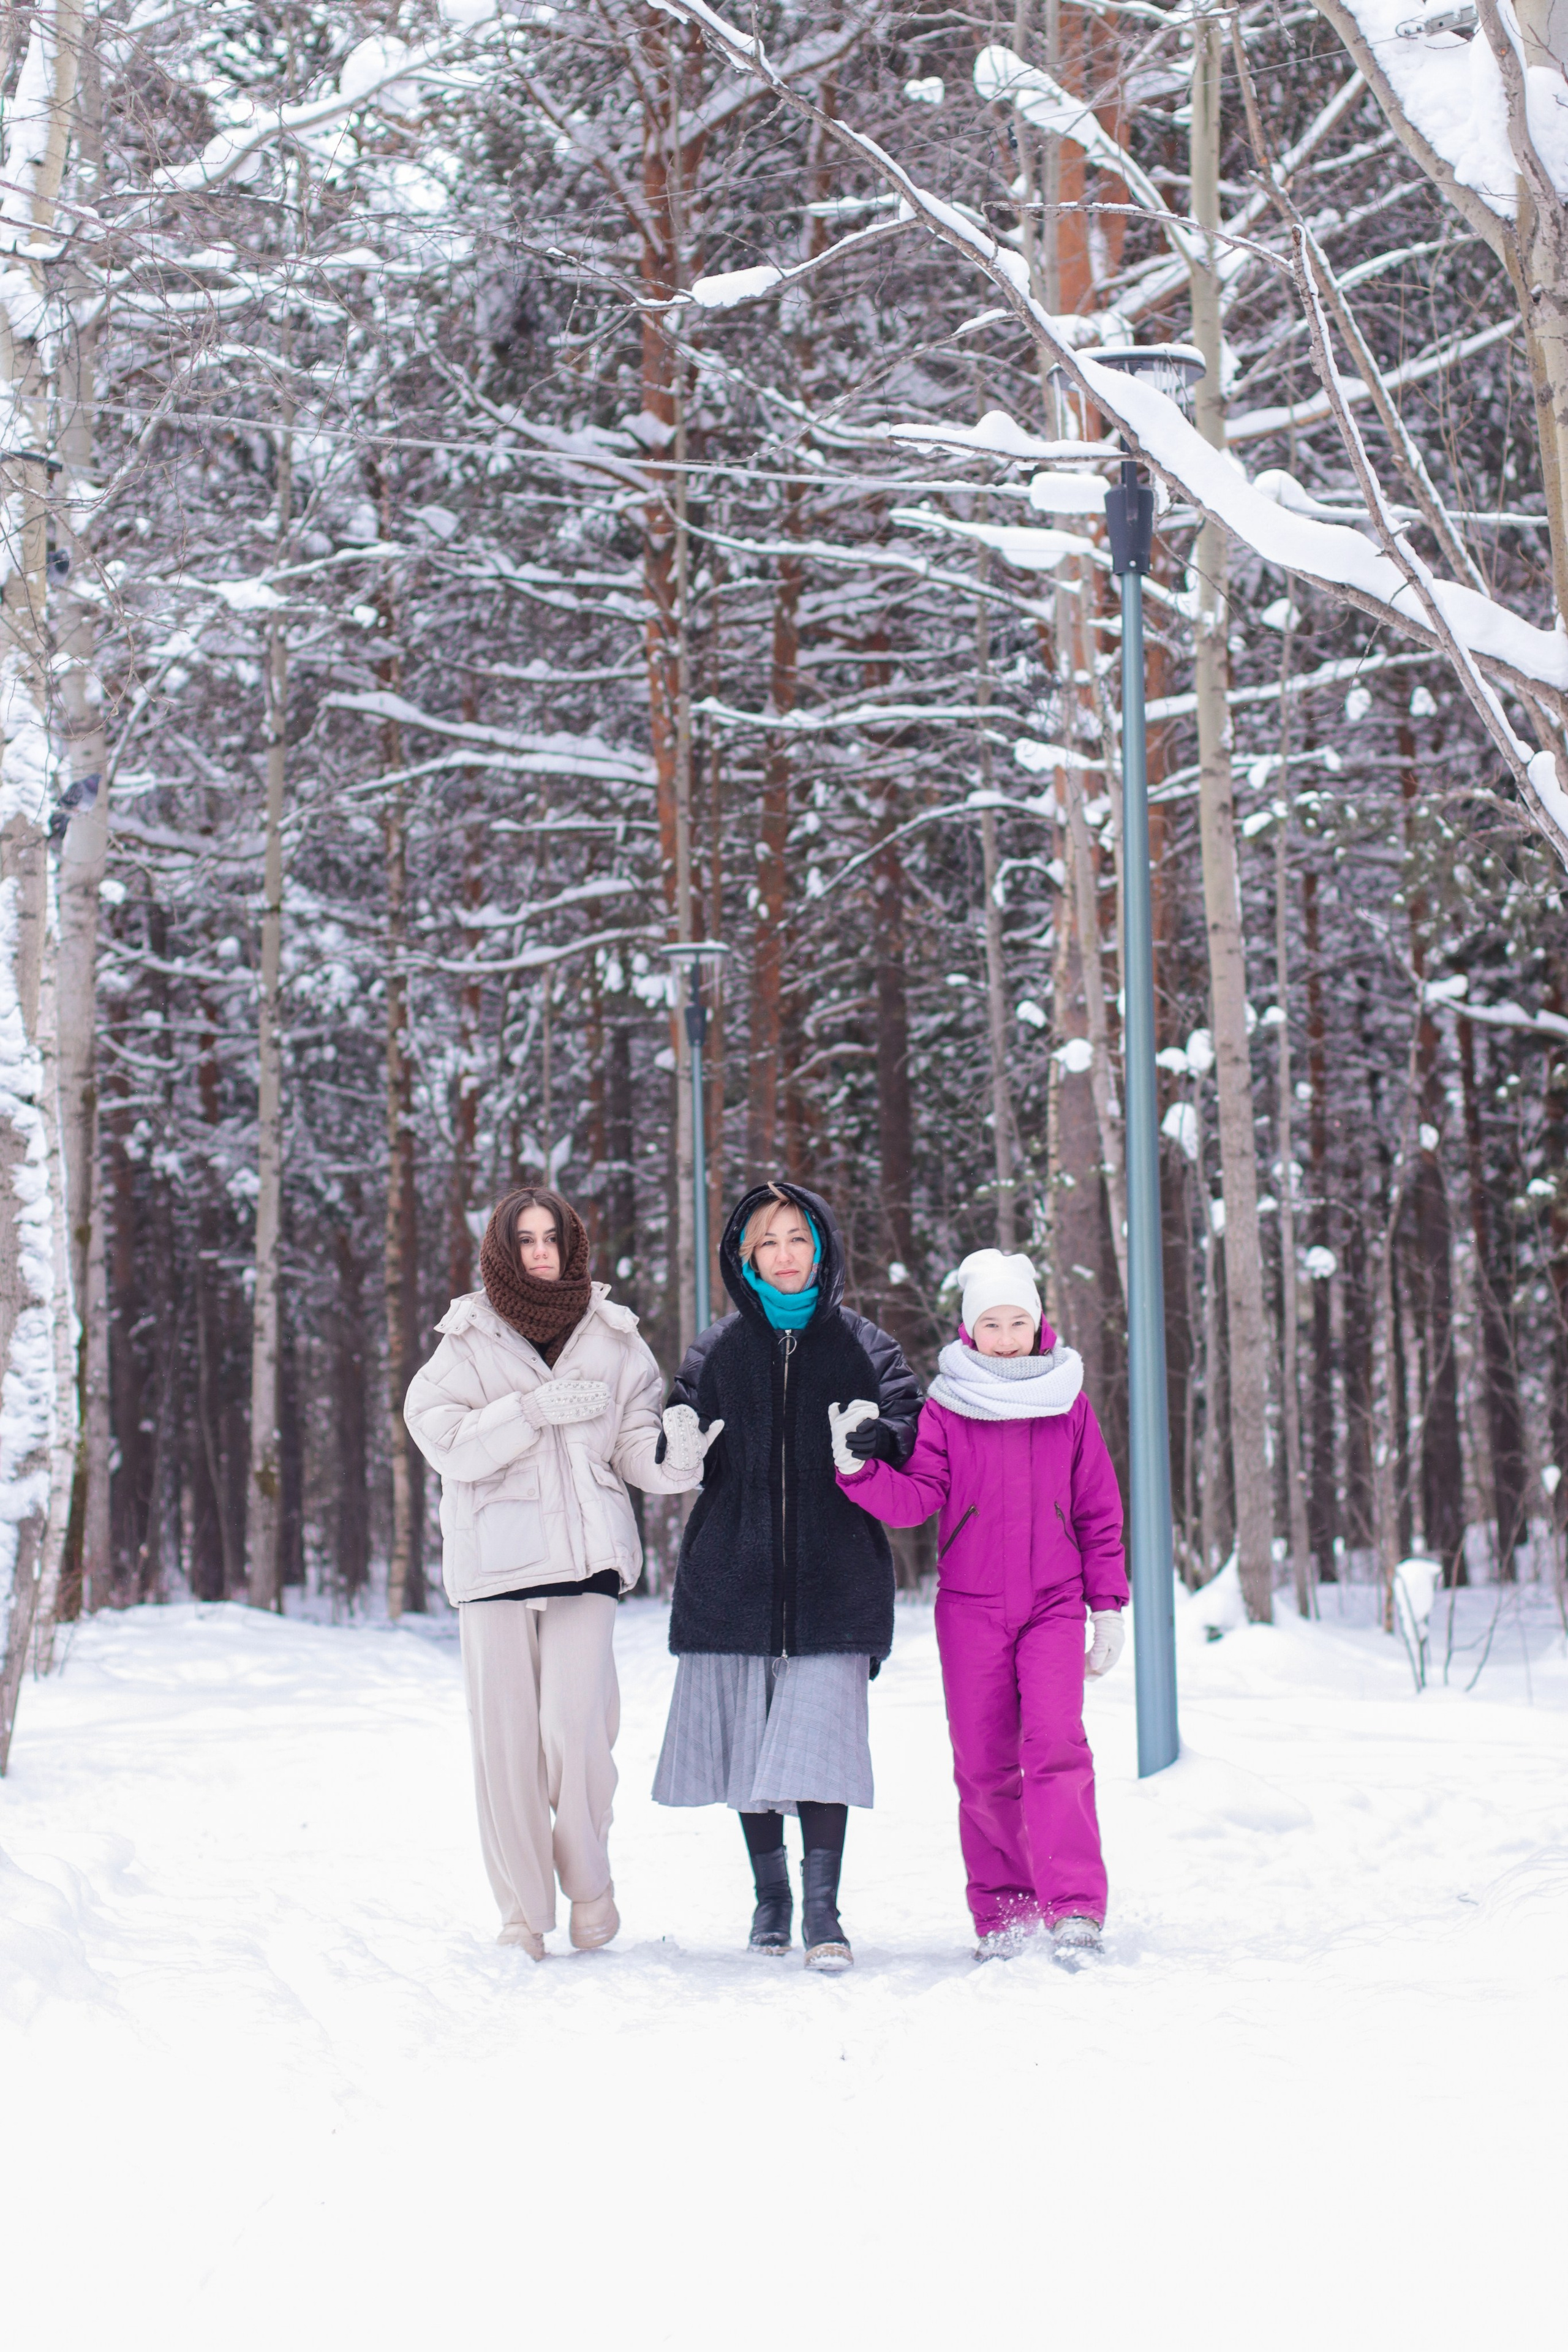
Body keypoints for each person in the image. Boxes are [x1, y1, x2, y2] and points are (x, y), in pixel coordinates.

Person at [405, 1186, 712, 1961]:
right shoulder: (466, 1339)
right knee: (506, 1745)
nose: (541, 1252)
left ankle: (590, 1886)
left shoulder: (614, 1338)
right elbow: (443, 1442)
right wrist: (530, 1412)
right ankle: (522, 1913)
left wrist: (677, 1461)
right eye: (526, 1240)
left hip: (586, 1558)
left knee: (577, 1733)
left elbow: (632, 1447)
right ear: (502, 1251)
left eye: (552, 1239)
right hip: (495, 1563)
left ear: (572, 1246)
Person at [652, 1181, 921, 1969]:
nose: (784, 1255)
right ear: (746, 1259)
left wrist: (879, 1437)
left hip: (837, 1576)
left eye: (797, 1238)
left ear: (822, 1247)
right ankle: (770, 1898)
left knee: (822, 1742)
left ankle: (823, 1912)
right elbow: (681, 1436)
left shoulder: (865, 1345)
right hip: (733, 1574)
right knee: (751, 1743)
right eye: (766, 1242)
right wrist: (679, 1442)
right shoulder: (717, 1349)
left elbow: (911, 1422)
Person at [829, 1248, 1126, 1961]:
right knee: (985, 1764)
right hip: (971, 1609)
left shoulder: (1068, 1402)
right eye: (990, 1324)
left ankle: (1074, 1906)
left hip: (1054, 1603)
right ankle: (1003, 1912)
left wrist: (1108, 1606)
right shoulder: (948, 1407)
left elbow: (1097, 1511)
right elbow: (917, 1500)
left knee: (1056, 1747)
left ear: (1038, 1323)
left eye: (1017, 1322)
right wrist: (857, 1468)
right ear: (968, 1329)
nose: (1005, 1337)